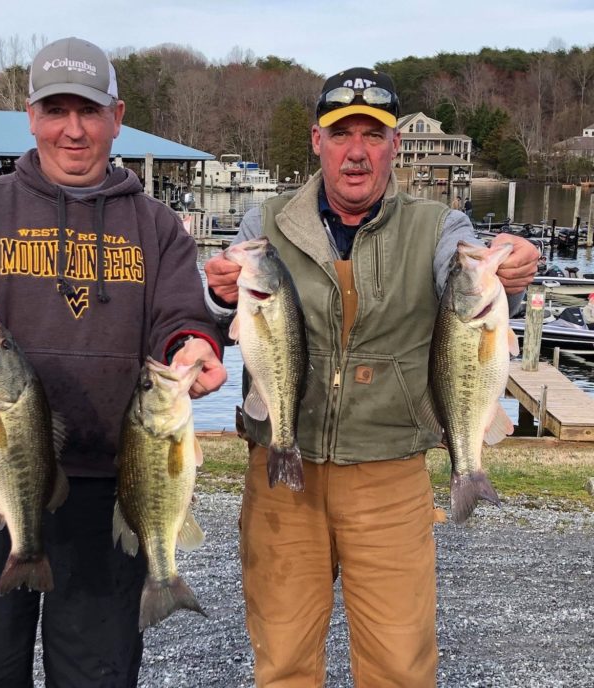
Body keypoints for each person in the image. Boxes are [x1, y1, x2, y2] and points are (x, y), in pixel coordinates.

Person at [204, 67, 538, 687]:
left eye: (373, 134)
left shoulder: (440, 228)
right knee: (282, 661)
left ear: (395, 145)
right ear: (316, 141)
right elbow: (228, 309)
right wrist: (223, 294)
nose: (356, 151)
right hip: (283, 474)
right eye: (341, 134)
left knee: (400, 665)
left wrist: (511, 274)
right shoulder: (263, 226)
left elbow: (464, 293)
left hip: (390, 474)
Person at [0, 36, 227, 688]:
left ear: (117, 116)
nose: (74, 130)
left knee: (96, 674)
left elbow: (180, 320)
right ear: (31, 117)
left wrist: (193, 348)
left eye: (89, 112)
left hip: (112, 482)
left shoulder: (157, 226)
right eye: (56, 111)